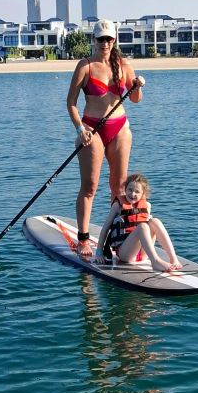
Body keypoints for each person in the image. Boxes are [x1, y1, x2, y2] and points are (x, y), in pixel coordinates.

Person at [67, 20, 144, 258]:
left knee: (119, 187)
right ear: (94, 40)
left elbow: (135, 99)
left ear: (114, 40)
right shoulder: (85, 66)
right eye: (101, 39)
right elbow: (70, 103)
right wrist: (80, 128)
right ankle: (83, 238)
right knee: (90, 186)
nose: (105, 43)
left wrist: (137, 85)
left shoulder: (123, 65)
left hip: (120, 127)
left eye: (109, 39)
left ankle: (118, 239)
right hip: (92, 129)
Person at [97, 173, 180, 272]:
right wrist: (99, 252)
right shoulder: (117, 206)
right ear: (125, 189)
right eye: (130, 190)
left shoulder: (147, 206)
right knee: (143, 227)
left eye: (137, 192)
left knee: (155, 221)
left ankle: (173, 258)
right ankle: (155, 261)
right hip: (126, 254)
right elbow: (105, 229)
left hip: (143, 254)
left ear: (143, 194)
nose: (132, 194)